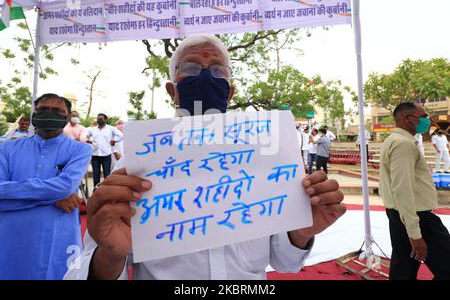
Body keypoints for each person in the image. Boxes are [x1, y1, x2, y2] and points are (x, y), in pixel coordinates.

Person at [64, 35, 346, 280]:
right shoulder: (133, 164)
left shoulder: (267, 157)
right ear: (172, 90)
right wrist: (110, 254)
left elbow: (285, 261)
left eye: (217, 71)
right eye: (191, 68)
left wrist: (301, 232)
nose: (205, 76)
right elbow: (99, 261)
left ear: (230, 91)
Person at [0, 93, 92, 279]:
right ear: (34, 114)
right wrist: (52, 199)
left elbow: (65, 187)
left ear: (67, 117)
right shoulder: (7, 148)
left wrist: (13, 191)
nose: (49, 114)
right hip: (11, 235)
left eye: (57, 111)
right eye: (42, 110)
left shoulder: (80, 149)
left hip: (58, 234)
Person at [379, 102, 450, 280]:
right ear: (408, 119)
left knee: (403, 265)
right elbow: (403, 188)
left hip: (399, 212)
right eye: (423, 116)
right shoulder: (403, 144)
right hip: (417, 216)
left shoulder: (394, 140)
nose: (427, 121)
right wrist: (415, 234)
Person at [86, 113, 123, 188]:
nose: (99, 120)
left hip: (106, 155)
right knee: (96, 175)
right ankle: (96, 191)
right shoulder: (92, 130)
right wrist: (89, 141)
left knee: (107, 175)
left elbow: (121, 136)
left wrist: (114, 140)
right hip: (95, 155)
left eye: (101, 119)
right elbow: (87, 136)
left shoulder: (111, 128)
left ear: (105, 120)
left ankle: (107, 189)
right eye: (98, 118)